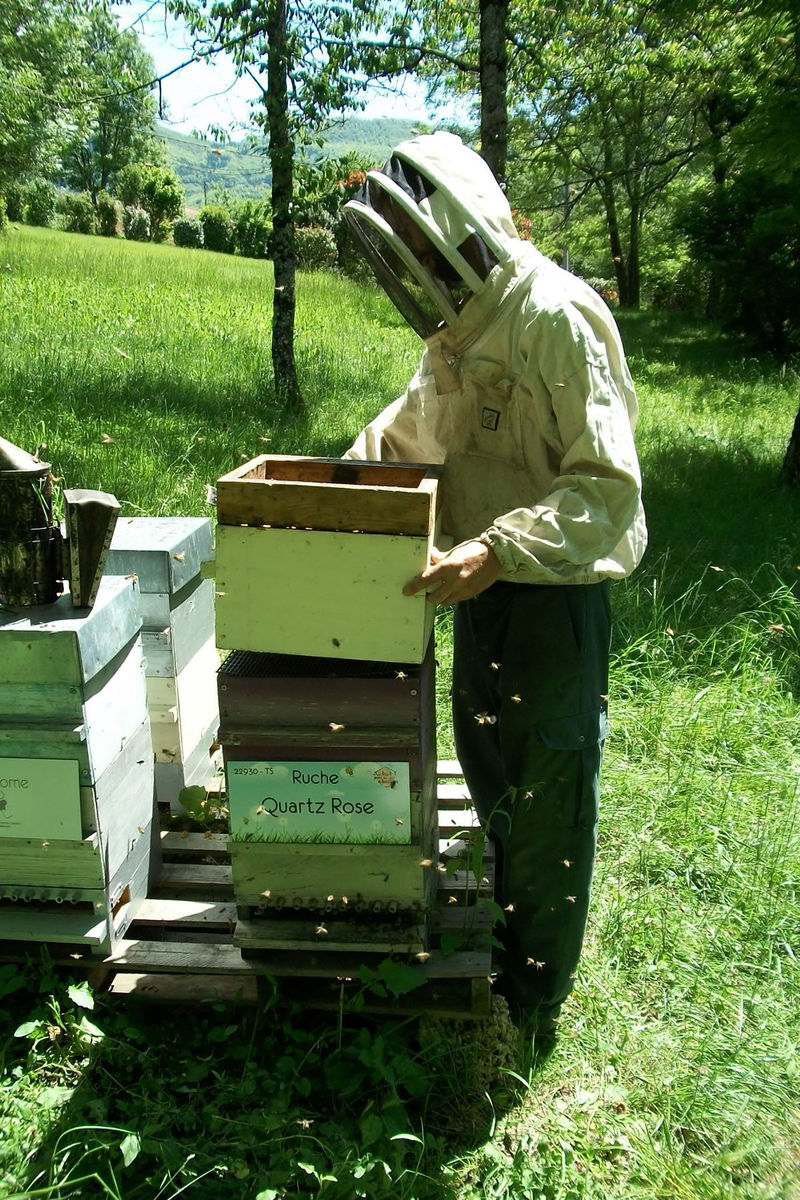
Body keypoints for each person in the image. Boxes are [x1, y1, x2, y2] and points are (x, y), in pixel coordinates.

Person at [341, 131, 647, 1034]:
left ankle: (532, 1005)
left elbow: (607, 493)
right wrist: (325, 496)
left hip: (553, 599)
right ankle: (506, 954)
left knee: (548, 801)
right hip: (479, 591)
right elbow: (405, 439)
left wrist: (496, 552)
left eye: (429, 255)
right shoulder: (457, 334)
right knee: (490, 777)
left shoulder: (554, 316)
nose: (424, 276)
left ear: (462, 233)